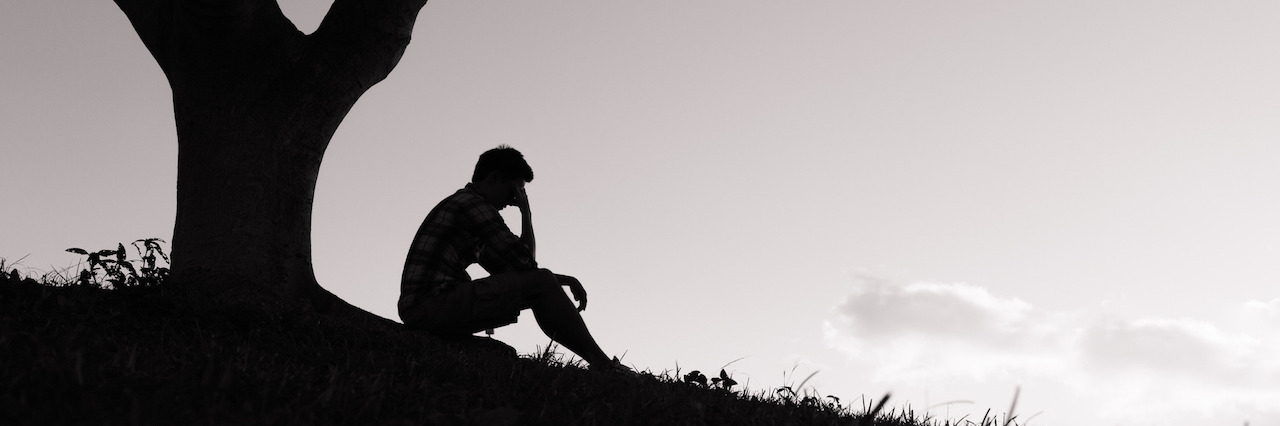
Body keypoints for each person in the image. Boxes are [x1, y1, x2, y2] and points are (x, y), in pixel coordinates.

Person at [399, 145, 630, 373]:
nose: (513, 201)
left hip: (426, 306)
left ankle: (602, 365)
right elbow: (526, 265)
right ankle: (604, 366)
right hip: (431, 305)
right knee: (542, 283)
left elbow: (516, 271)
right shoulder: (473, 205)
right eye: (514, 191)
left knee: (542, 283)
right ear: (495, 178)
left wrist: (561, 280)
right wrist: (526, 213)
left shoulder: (466, 206)